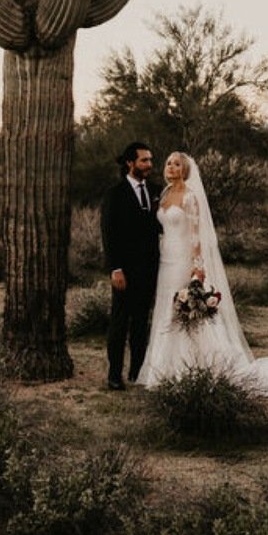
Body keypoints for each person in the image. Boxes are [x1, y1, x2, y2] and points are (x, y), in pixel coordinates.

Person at [137, 152, 268, 396]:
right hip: (165, 260)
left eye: (177, 164)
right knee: (166, 310)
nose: (171, 167)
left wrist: (198, 266)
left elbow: (195, 236)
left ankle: (196, 367)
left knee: (189, 312)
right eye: (168, 163)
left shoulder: (190, 197)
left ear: (186, 169)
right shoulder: (165, 194)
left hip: (183, 260)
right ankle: (163, 370)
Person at [100, 141, 161, 390]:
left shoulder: (157, 190)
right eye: (144, 160)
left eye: (150, 160)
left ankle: (137, 370)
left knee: (140, 322)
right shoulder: (115, 193)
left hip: (150, 268)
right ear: (130, 163)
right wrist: (115, 268)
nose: (149, 165)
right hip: (124, 270)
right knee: (119, 321)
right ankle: (114, 374)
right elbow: (108, 233)